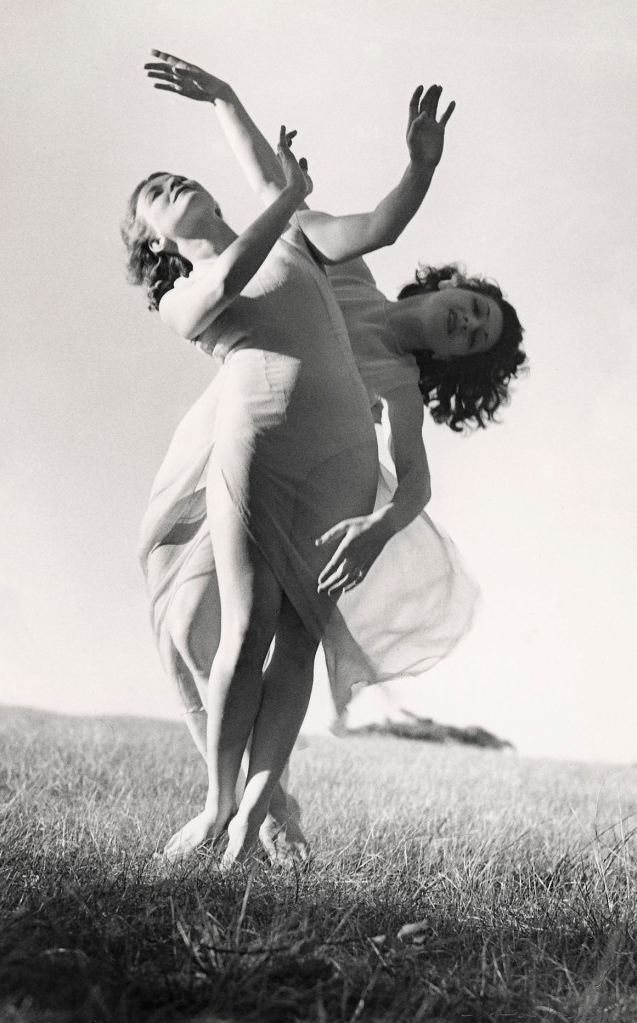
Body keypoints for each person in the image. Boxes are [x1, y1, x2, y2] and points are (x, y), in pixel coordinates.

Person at [123, 54, 462, 866]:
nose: (177, 185)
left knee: (300, 638)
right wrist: (276, 182)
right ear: (154, 241)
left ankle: (252, 817)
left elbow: (375, 224)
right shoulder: (185, 290)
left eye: (178, 177)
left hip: (340, 449)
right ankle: (222, 803)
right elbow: (237, 269)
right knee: (245, 627)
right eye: (157, 194)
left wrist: (410, 171)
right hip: (257, 439)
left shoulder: (299, 235)